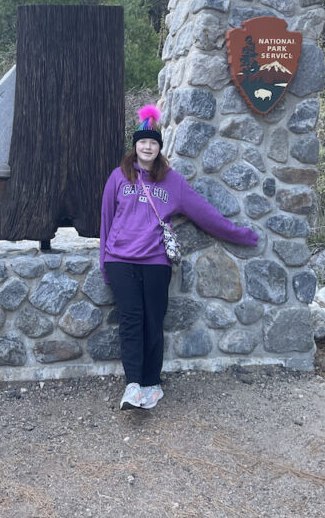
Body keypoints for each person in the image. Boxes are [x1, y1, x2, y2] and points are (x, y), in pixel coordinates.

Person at [99, 104, 259, 410]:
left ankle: (152, 385)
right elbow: (106, 221)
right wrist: (105, 264)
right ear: (135, 146)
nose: (147, 146)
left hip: (156, 262)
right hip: (120, 260)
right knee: (131, 321)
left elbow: (206, 214)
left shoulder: (172, 182)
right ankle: (133, 386)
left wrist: (239, 234)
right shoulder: (118, 177)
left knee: (153, 322)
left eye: (153, 142)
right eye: (142, 141)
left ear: (159, 148)